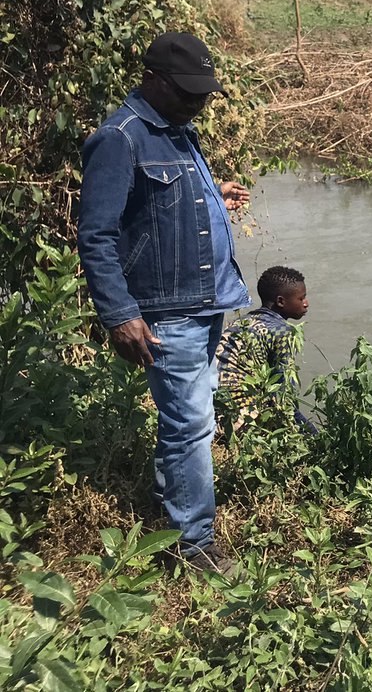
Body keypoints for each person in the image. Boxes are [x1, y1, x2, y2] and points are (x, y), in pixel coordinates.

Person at [77, 31, 251, 576]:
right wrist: (120, 314)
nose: (199, 102)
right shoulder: (120, 138)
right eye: (188, 91)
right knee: (190, 425)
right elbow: (97, 235)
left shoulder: (178, 129)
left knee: (190, 418)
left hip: (204, 299)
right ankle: (194, 546)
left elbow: (160, 200)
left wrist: (210, 193)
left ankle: (177, 514)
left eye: (204, 92)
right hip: (167, 310)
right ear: (153, 79)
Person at [216, 266, 317, 437]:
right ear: (281, 301)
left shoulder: (243, 322)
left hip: (211, 413)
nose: (306, 303)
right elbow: (284, 397)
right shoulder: (282, 331)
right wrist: (313, 435)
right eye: (301, 298)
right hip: (236, 423)